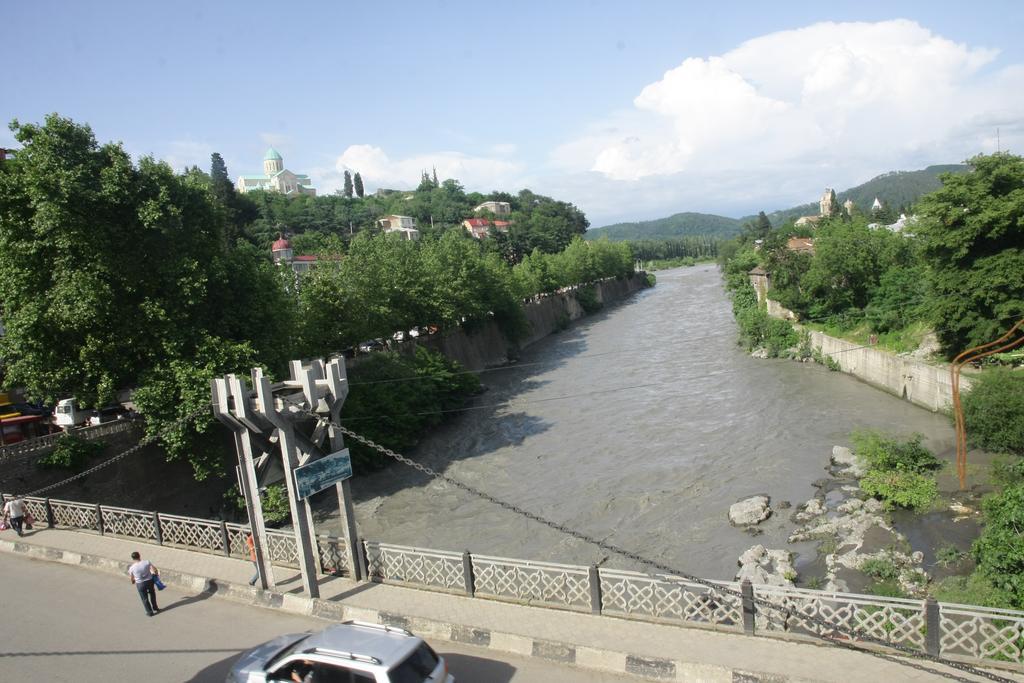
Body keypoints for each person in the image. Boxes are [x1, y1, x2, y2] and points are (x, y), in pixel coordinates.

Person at [128, 551, 160, 616]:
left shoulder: (132, 568)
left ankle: (150, 612)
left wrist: (133, 581)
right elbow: (155, 570)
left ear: (133, 559)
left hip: (140, 584)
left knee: (144, 598)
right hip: (149, 581)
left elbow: (132, 578)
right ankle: (155, 607)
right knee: (152, 594)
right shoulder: (146, 562)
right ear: (139, 556)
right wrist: (156, 574)